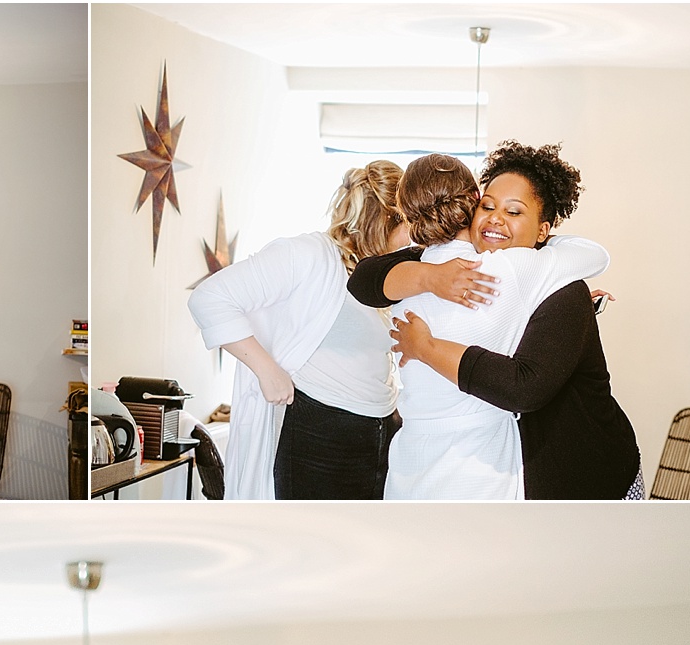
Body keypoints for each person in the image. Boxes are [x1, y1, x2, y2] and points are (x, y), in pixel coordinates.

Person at [348, 142, 642, 500]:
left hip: (587, 471)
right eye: (487, 206)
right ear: (470, 205)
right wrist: (431, 277)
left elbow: (523, 388)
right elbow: (365, 279)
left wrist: (425, 347)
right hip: (515, 471)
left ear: (543, 231)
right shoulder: (441, 266)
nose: (496, 219)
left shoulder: (560, 288)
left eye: (514, 212)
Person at [187, 162, 492, 500]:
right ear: (383, 220)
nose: (420, 235)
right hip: (317, 433)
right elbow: (210, 298)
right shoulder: (307, 255)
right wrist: (265, 369)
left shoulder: (390, 273)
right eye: (411, 222)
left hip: (382, 431)